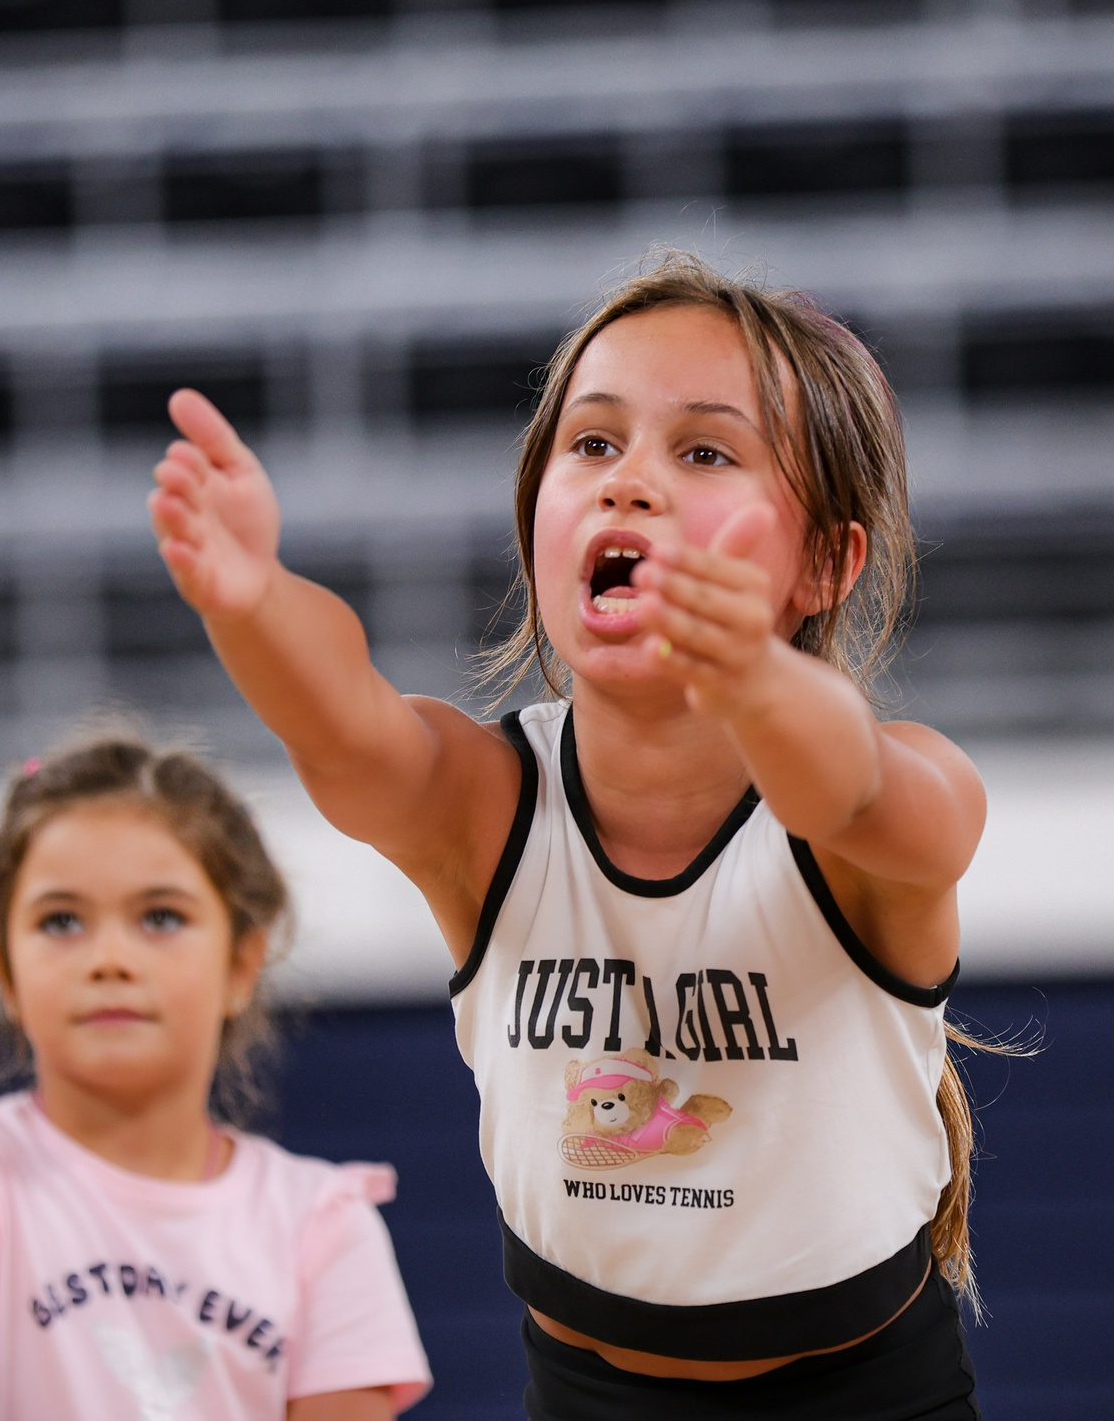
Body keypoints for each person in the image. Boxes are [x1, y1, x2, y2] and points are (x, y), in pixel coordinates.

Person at [149, 253, 990, 1420]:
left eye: (703, 452)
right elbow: (347, 727)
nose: (629, 481)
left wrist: (749, 678)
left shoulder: (895, 797)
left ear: (821, 563)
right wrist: (251, 602)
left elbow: (846, 788)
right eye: (592, 444)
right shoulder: (488, 803)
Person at [0, 732, 433, 1421]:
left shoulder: (325, 1225)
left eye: (161, 917)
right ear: (5, 968)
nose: (109, 957)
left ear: (240, 962)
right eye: (62, 920)